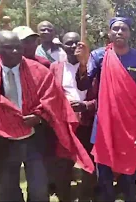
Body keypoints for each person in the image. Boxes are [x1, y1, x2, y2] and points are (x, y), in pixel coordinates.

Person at [0, 31, 93, 201]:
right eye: (8, 48)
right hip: (3, 141)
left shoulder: (38, 70)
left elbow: (52, 98)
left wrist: (39, 116)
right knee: (6, 189)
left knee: (39, 188)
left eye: (18, 47)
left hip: (35, 138)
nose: (16, 52)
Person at [76, 16, 136, 202]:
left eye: (123, 29)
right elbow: (83, 83)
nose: (119, 32)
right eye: (115, 28)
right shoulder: (99, 55)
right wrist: (83, 63)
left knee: (129, 179)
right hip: (104, 126)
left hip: (130, 127)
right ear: (109, 32)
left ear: (129, 33)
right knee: (104, 180)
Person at [49, 32, 97, 201]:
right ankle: (64, 197)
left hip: (87, 123)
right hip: (64, 124)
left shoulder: (94, 67)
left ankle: (86, 197)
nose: (74, 46)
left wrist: (86, 106)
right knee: (63, 165)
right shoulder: (55, 67)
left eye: (78, 42)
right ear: (62, 46)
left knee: (89, 165)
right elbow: (51, 94)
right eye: (69, 43)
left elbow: (102, 97)